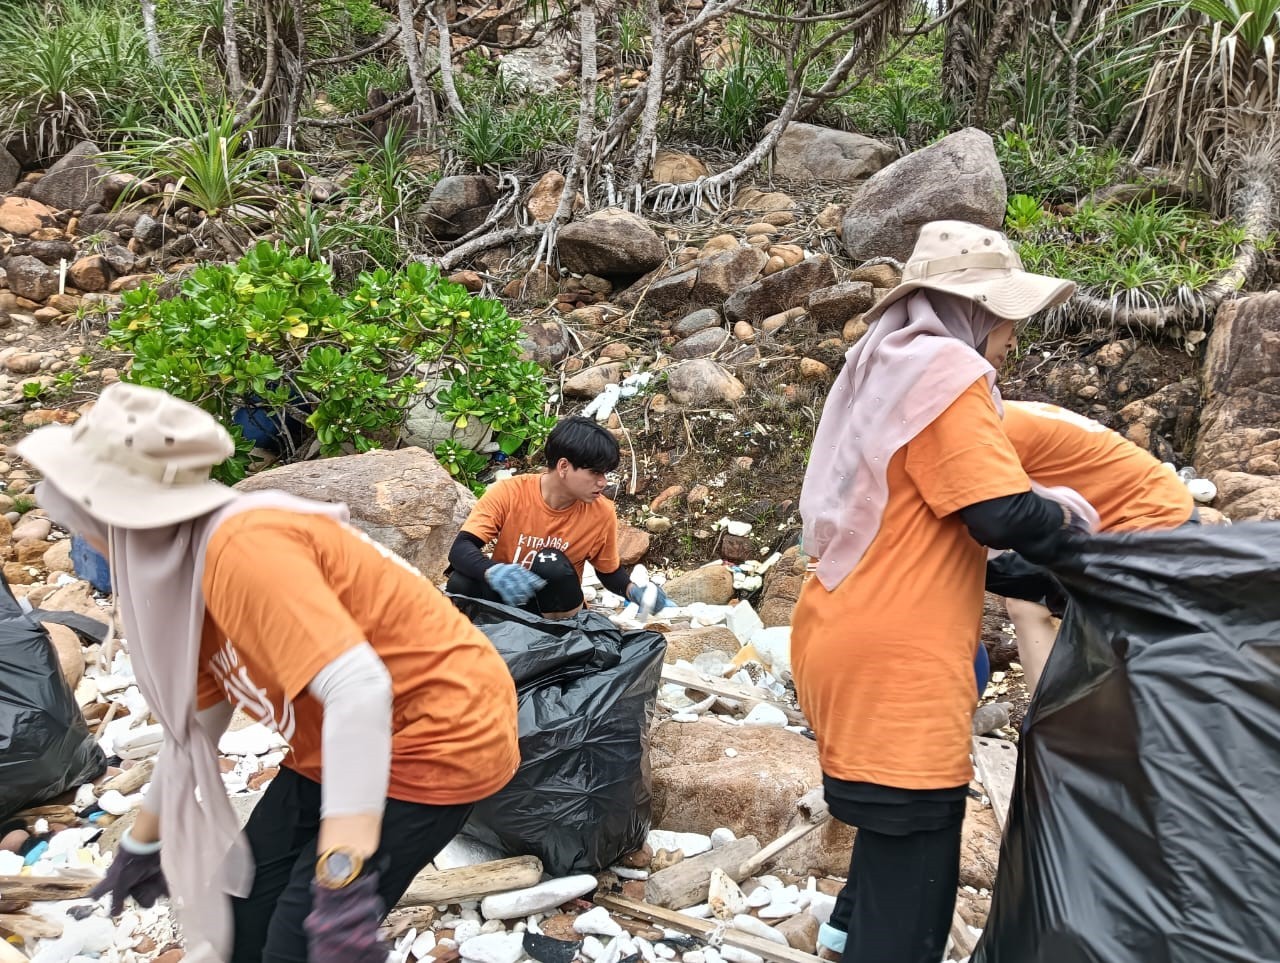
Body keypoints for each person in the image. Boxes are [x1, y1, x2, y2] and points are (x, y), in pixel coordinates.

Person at [15, 383, 520, 963]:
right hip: (333, 742)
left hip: (438, 734)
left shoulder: (243, 548)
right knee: (242, 912)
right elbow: (196, 726)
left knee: (297, 943)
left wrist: (344, 870)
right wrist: (142, 839)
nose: (78, 531)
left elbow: (359, 688)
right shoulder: (179, 575)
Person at [792, 221, 1086, 963]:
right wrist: (1085, 542)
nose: (1013, 334)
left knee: (895, 842)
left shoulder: (885, 369)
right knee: (916, 890)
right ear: (973, 307)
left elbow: (930, 531)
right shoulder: (943, 375)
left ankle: (843, 932)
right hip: (899, 663)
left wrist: (1030, 573)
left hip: (845, 627)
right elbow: (1001, 512)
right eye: (1007, 316)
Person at [991, 399, 1197, 692]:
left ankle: (1107, 726)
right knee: (1026, 604)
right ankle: (1050, 724)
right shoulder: (995, 409)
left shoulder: (981, 427)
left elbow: (995, 520)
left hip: (1148, 524)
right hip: (1119, 516)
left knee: (1115, 651)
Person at [446, 415, 671, 616]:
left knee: (549, 561)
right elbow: (461, 548)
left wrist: (633, 592)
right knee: (461, 582)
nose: (602, 482)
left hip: (558, 611)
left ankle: (560, 639)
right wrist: (492, 571)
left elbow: (608, 572)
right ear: (563, 466)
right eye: (595, 472)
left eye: (605, 473)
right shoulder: (510, 493)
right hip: (511, 601)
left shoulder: (601, 512)